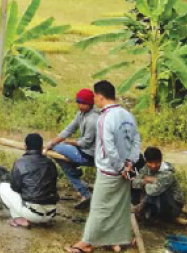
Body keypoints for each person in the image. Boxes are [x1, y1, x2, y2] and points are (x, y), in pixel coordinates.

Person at [67, 80, 141, 253]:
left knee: (99, 207)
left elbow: (109, 147)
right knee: (119, 207)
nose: (95, 100)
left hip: (110, 170)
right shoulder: (127, 115)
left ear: (100, 97)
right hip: (127, 169)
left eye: (95, 97)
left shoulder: (105, 118)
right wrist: (130, 163)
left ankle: (87, 242)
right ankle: (117, 240)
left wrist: (120, 167)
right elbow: (136, 140)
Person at [44, 88, 99, 209]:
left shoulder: (93, 119)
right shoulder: (81, 114)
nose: (80, 106)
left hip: (89, 155)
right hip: (84, 150)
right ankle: (76, 175)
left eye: (83, 103)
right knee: (57, 150)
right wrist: (54, 141)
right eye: (78, 102)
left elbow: (86, 142)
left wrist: (69, 142)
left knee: (56, 149)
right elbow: (69, 129)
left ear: (90, 103)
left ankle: (83, 190)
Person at [0, 133, 59, 228]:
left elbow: (15, 187)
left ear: (25, 146)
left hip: (32, 214)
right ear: (42, 147)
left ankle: (18, 218)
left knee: (2, 187)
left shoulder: (20, 162)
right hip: (51, 213)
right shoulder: (51, 163)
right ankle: (43, 219)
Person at [132, 147, 184, 223]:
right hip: (156, 202)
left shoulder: (167, 173)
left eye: (156, 162)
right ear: (146, 161)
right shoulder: (145, 169)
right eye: (150, 162)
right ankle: (146, 213)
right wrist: (146, 180)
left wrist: (144, 183)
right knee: (135, 187)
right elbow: (134, 183)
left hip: (173, 207)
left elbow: (153, 191)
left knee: (157, 191)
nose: (153, 165)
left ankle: (140, 210)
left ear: (161, 160)